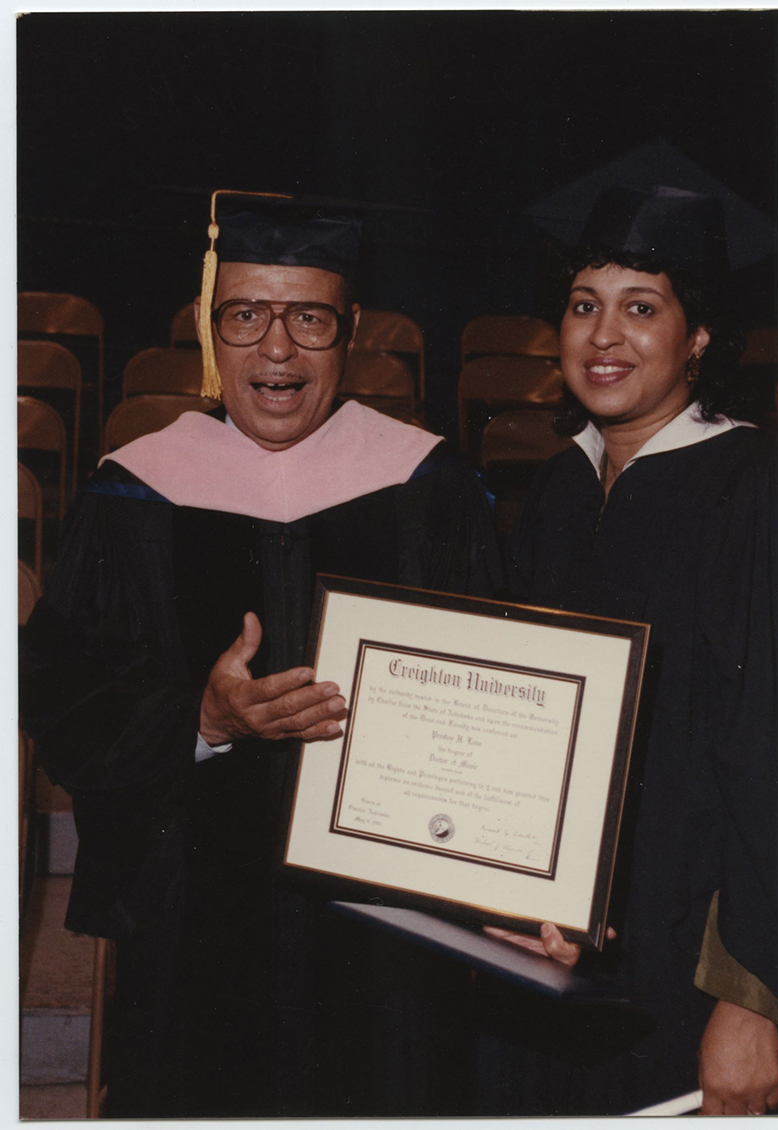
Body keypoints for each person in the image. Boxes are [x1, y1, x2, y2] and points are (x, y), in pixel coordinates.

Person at [20, 190, 503, 1117]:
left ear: (351, 332)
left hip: (390, 935)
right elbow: (63, 699)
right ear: (209, 327)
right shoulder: (133, 497)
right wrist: (198, 722)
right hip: (194, 919)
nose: (276, 348)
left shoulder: (432, 490)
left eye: (309, 317)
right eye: (245, 315)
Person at [494, 186, 778, 1116]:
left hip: (693, 966)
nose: (604, 335)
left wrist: (755, 1000)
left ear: (699, 337)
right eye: (585, 306)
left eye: (642, 307)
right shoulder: (553, 492)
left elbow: (776, 760)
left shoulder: (757, 490)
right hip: (542, 950)